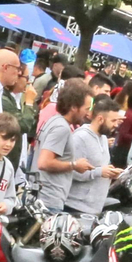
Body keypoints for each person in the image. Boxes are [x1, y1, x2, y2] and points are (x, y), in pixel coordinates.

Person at [33, 78, 91, 213]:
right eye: (86, 109)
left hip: (44, 196)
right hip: (49, 200)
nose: (87, 113)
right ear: (73, 107)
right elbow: (44, 162)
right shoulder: (61, 128)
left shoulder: (54, 121)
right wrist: (74, 165)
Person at [65, 93, 124, 217]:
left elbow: (100, 166)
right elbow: (71, 171)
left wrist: (111, 172)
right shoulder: (80, 137)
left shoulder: (103, 138)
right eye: (113, 120)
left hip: (94, 208)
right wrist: (99, 172)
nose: (116, 124)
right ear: (100, 119)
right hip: (76, 207)